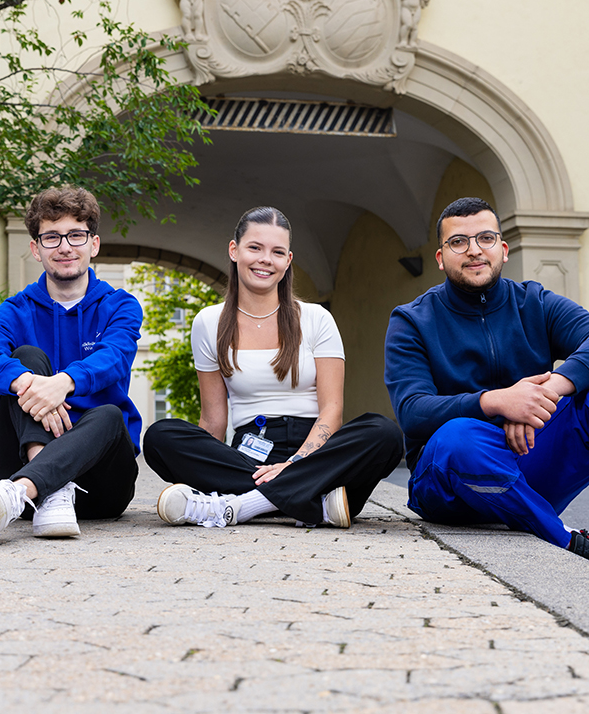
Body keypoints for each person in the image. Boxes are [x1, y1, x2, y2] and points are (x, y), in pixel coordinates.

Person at [384, 197, 589, 601]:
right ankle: (573, 541)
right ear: (441, 258)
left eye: (485, 238)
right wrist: (498, 402)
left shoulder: (534, 303)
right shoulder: (412, 320)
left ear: (503, 249)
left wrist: (543, 393)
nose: (474, 250)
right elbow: (412, 412)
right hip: (447, 484)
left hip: (528, 458)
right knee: (457, 436)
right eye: (459, 242)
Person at [143, 206, 404, 529]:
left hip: (316, 455)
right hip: (248, 458)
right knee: (160, 437)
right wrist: (200, 460)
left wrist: (295, 463)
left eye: (277, 252)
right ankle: (314, 504)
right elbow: (213, 420)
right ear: (234, 250)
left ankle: (242, 505)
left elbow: (332, 411)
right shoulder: (208, 322)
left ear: (288, 260)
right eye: (255, 247)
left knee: (384, 433)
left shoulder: (317, 319)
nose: (265, 259)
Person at [0, 186, 142, 541]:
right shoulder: (16, 310)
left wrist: (63, 383)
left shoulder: (120, 305)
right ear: (36, 248)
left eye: (76, 235)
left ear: (93, 244)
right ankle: (47, 488)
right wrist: (27, 382)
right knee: (26, 359)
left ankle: (22, 490)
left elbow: (116, 357)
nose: (64, 247)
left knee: (109, 415)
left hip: (100, 485)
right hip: (24, 468)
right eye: (52, 237)